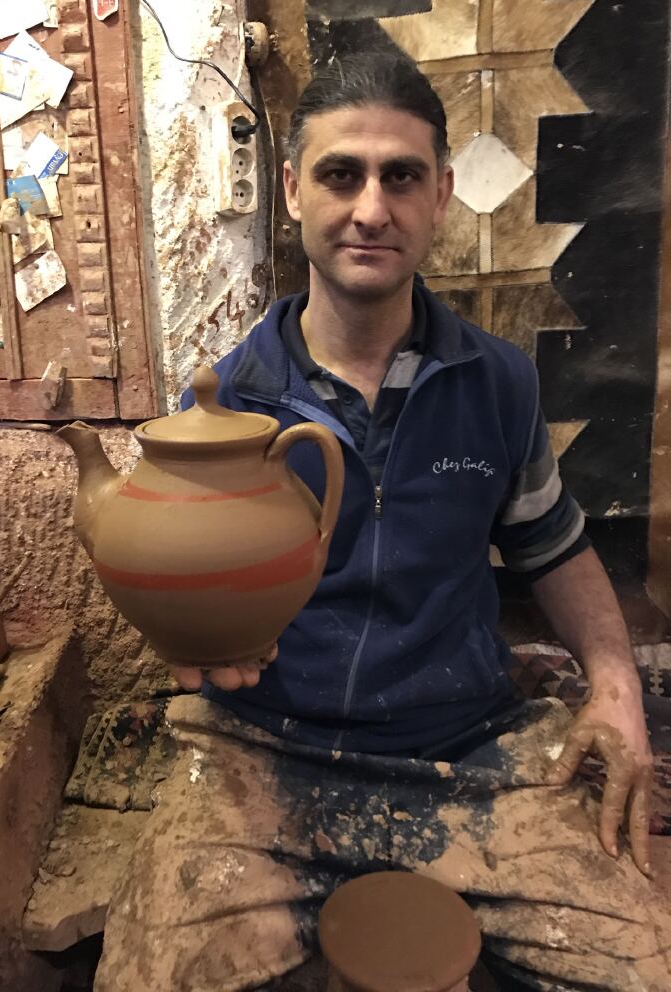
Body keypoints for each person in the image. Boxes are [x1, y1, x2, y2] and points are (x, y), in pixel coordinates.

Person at [96, 52, 669, 992]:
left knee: (640, 967)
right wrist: (191, 641)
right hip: (260, 745)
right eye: (341, 174)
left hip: (472, 744)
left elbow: (553, 546)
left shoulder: (499, 382)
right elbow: (172, 584)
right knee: (154, 977)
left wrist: (615, 687)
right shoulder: (227, 405)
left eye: (401, 176)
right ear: (292, 190)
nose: (371, 209)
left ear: (440, 194)